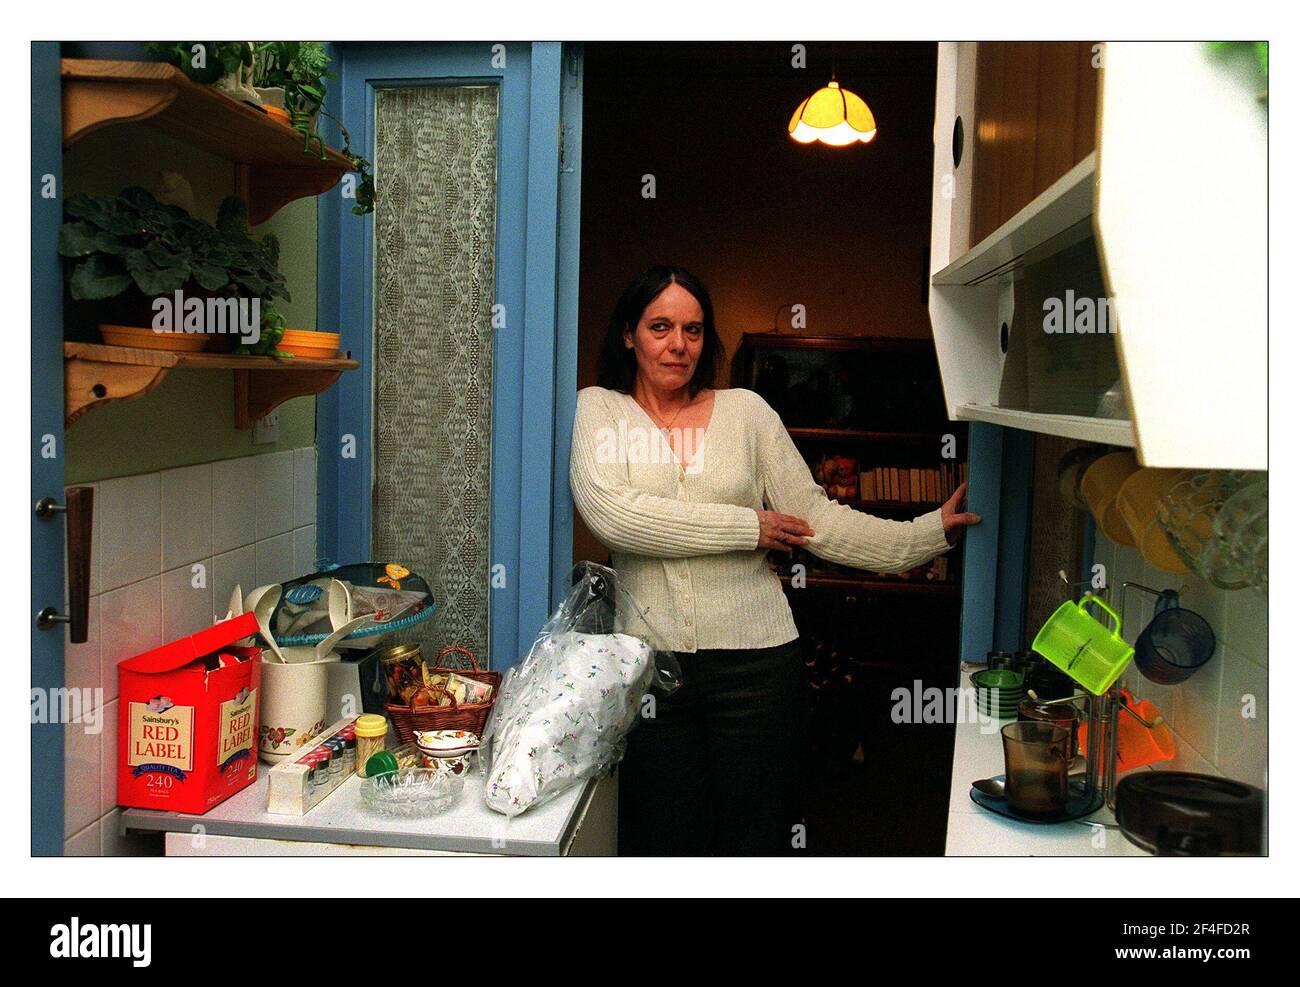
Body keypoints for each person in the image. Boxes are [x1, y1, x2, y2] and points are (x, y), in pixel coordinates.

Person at [569, 265, 981, 855]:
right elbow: (618, 518)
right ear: (629, 335)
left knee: (756, 838)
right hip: (645, 663)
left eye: (692, 329)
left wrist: (924, 535)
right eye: (660, 327)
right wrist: (748, 527)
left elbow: (816, 519)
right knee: (658, 836)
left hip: (757, 668)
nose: (678, 344)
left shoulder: (748, 413)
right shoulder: (599, 411)